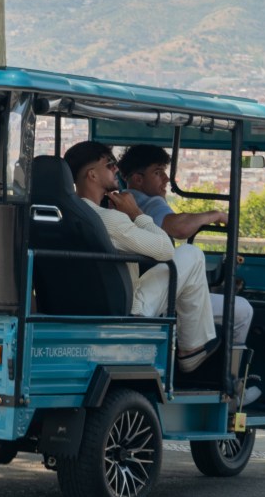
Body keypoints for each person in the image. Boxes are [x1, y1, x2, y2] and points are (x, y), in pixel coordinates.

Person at [65, 141, 217, 373]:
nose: (116, 169)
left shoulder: (64, 215)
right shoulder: (109, 219)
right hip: (127, 307)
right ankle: (191, 349)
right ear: (92, 175)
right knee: (191, 254)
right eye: (110, 164)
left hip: (77, 305)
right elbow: (166, 248)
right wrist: (136, 213)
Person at [117, 144, 254, 352]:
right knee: (242, 310)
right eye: (158, 172)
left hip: (135, 287)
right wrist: (214, 215)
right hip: (149, 295)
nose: (166, 179)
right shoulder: (147, 202)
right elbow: (179, 228)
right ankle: (229, 377)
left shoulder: (119, 201)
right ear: (137, 179)